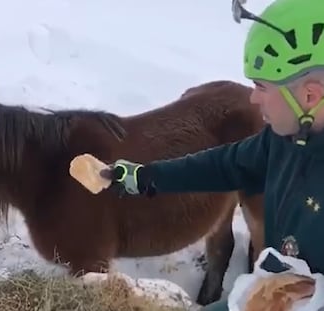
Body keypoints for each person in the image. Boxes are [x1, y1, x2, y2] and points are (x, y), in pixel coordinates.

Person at [99, 0, 324, 310]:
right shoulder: (282, 141)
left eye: (261, 87)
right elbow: (223, 164)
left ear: (309, 96)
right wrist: (145, 176)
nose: (253, 98)